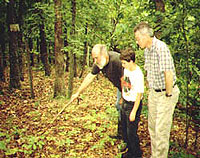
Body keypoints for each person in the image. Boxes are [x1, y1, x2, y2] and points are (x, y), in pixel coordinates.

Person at [134, 22, 180, 158]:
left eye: (138, 39)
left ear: (145, 35)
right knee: (153, 128)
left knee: (161, 130)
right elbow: (151, 73)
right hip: (154, 93)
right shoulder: (147, 51)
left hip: (166, 93)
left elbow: (169, 73)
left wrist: (168, 94)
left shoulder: (161, 48)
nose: (137, 42)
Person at [70, 44, 123, 139]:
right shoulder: (99, 63)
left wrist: (124, 96)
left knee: (126, 109)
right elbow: (90, 77)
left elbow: (127, 80)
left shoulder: (116, 60)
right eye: (93, 58)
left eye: (96, 58)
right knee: (119, 106)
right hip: (121, 88)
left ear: (104, 54)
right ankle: (121, 134)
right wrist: (78, 92)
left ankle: (129, 140)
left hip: (129, 88)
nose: (95, 61)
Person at [119, 48, 144, 158]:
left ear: (131, 61)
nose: (123, 65)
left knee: (131, 133)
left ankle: (136, 154)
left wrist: (133, 111)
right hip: (125, 101)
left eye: (124, 63)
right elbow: (123, 81)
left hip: (133, 105)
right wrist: (122, 96)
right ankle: (130, 151)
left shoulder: (138, 74)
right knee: (124, 130)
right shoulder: (127, 70)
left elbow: (139, 94)